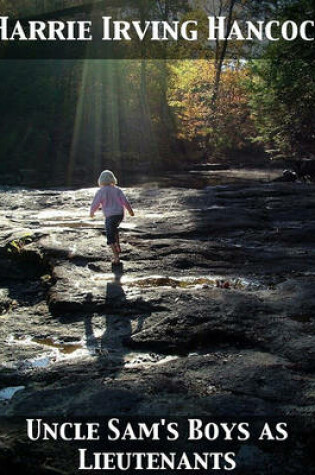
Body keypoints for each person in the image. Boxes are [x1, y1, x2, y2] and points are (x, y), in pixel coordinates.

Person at [90, 170, 134, 265]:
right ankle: (117, 244)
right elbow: (125, 201)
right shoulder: (117, 190)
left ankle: (116, 257)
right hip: (119, 215)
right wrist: (130, 211)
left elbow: (95, 203)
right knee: (114, 229)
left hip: (110, 217)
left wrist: (92, 212)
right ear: (112, 179)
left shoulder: (101, 191)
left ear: (100, 180)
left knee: (110, 237)